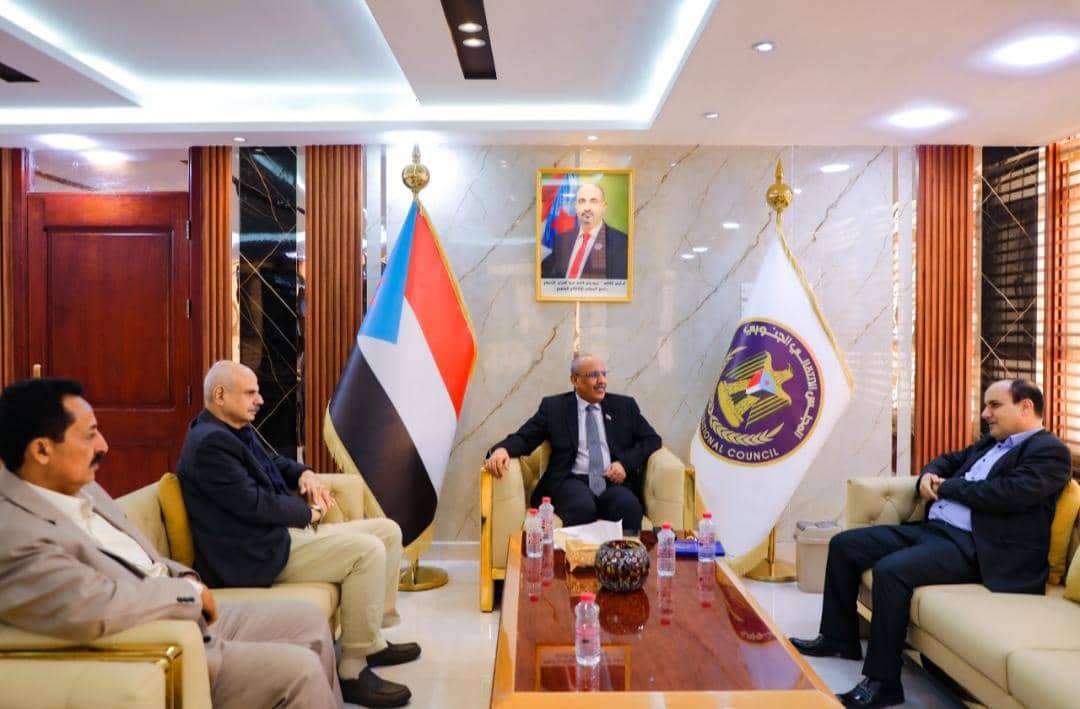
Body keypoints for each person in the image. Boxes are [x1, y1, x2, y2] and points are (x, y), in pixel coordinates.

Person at [0, 377, 353, 708]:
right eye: (90, 435)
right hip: (162, 636)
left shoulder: (82, 486)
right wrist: (188, 593)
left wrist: (184, 578)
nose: (103, 446)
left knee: (308, 620)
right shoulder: (13, 532)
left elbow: (143, 557)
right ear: (42, 450)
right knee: (301, 670)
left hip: (186, 607)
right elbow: (88, 605)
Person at [790, 379, 1071, 709]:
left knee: (891, 571)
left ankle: (883, 683)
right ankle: (839, 639)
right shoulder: (991, 443)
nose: (985, 414)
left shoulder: (1050, 452)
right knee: (844, 545)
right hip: (936, 530)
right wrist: (927, 476)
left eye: (994, 405)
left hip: (979, 549)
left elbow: (1006, 494)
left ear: (1026, 407)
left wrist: (946, 487)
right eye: (985, 405)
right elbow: (947, 460)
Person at [176, 360, 419, 709]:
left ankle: (371, 640)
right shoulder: (210, 445)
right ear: (219, 395)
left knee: (388, 531)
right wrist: (310, 513)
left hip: (273, 537)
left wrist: (305, 473)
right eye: (250, 392)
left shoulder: (232, 428)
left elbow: (274, 463)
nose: (260, 399)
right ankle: (353, 670)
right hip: (253, 555)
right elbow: (256, 505)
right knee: (366, 552)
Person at [484, 354, 660, 533]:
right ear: (575, 380)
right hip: (571, 480)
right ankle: (578, 552)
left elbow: (652, 439)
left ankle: (622, 551)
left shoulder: (624, 406)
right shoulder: (554, 408)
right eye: (594, 375)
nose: (602, 381)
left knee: (628, 507)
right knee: (582, 507)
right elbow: (525, 437)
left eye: (604, 374)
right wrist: (502, 450)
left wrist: (625, 463)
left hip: (612, 481)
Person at [540, 183, 629, 279]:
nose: (587, 208)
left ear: (604, 206)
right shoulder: (561, 240)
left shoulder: (622, 243)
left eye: (593, 201)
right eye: (582, 201)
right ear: (575, 206)